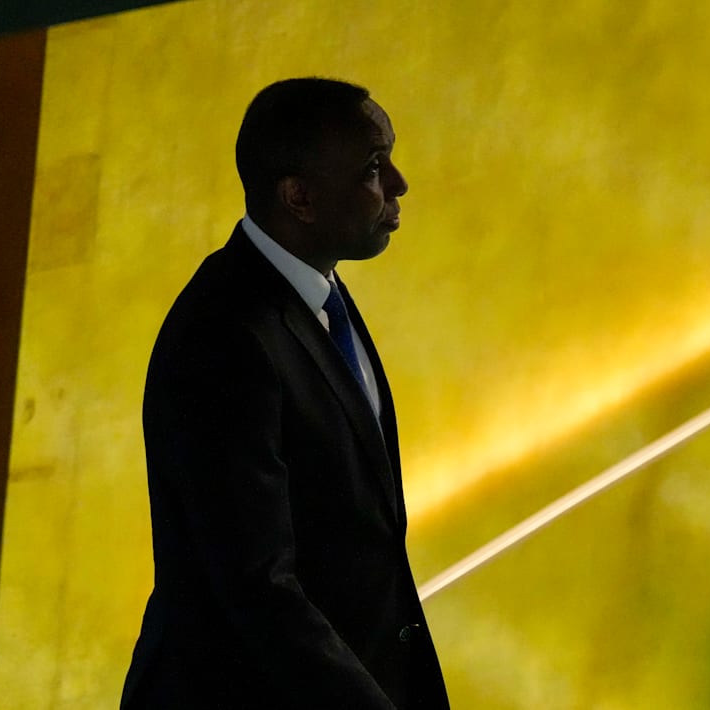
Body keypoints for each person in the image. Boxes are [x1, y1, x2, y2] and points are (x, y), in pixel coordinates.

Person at [120, 78, 449, 709]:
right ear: (299, 197)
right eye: (373, 168)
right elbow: (257, 587)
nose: (399, 183)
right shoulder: (223, 339)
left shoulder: (316, 290)